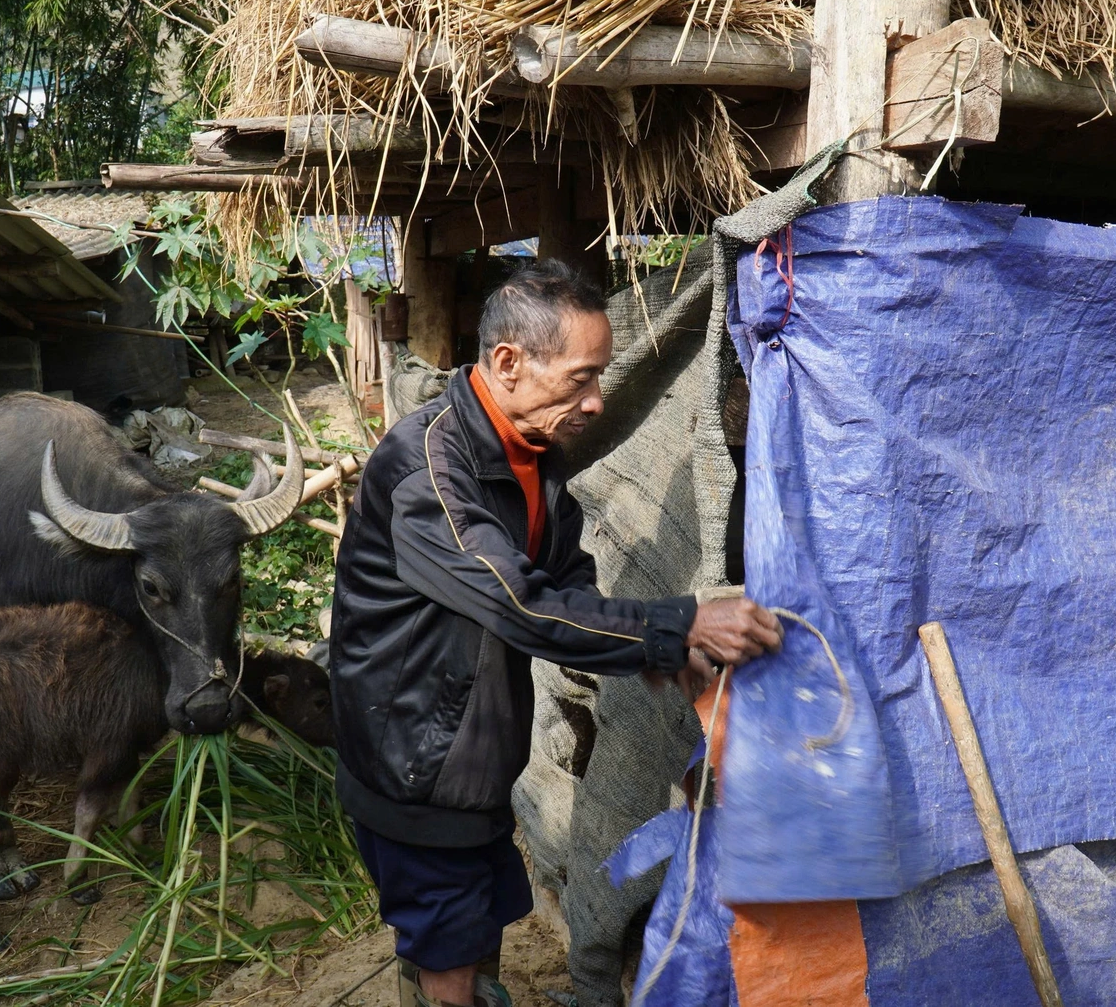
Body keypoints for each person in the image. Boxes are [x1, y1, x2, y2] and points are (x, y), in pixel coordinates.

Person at [329, 260, 782, 1007]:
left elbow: (566, 577)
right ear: (507, 363)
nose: (597, 401)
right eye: (581, 378)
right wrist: (678, 621)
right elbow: (520, 603)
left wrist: (651, 652)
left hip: (466, 760)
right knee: (449, 962)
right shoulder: (426, 470)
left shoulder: (531, 455)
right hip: (415, 765)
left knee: (474, 936)